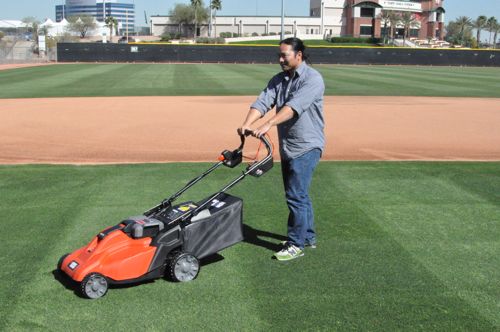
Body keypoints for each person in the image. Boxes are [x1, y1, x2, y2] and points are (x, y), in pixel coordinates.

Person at [238, 37, 325, 261]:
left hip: (307, 145)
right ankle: (308, 237)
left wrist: (268, 124)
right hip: (289, 146)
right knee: (300, 194)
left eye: (284, 55)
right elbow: (262, 102)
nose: (280, 59)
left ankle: (296, 244)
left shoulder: (313, 79)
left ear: (299, 55)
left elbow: (293, 107)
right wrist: (248, 123)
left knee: (295, 195)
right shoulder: (279, 80)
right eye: (279, 55)